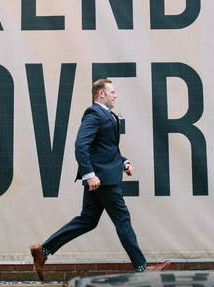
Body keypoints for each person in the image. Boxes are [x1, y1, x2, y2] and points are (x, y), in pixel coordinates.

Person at [30, 79, 171, 279]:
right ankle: (141, 268)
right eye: (112, 91)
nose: (116, 95)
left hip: (103, 177)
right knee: (123, 220)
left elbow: (106, 149)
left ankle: (43, 251)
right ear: (101, 94)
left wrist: (123, 162)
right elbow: (81, 146)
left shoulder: (109, 115)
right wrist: (90, 175)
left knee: (87, 220)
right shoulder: (94, 114)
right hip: (103, 180)